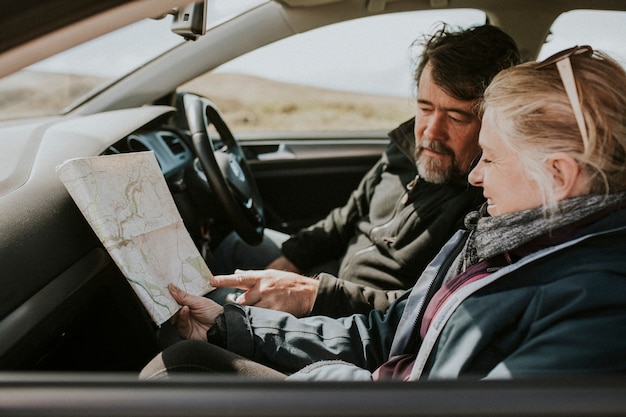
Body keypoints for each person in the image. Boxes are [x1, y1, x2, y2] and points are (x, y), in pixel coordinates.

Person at [141, 45, 626, 380]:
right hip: (364, 377)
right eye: (423, 107)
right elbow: (393, 330)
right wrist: (235, 327)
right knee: (193, 350)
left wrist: (324, 376)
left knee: (179, 368)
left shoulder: (596, 306)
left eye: (492, 158)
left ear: (559, 176)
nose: (477, 178)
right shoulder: (500, 237)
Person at [206, 24, 521, 318]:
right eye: (425, 108)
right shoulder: (404, 149)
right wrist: (291, 261)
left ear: (492, 122)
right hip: (332, 276)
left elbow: (426, 310)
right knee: (236, 245)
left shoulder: (487, 204)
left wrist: (312, 294)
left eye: (456, 116)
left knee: (216, 313)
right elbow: (347, 217)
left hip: (359, 319)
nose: (430, 132)